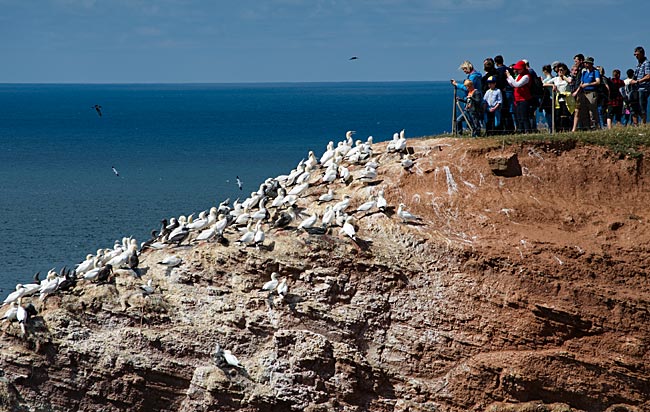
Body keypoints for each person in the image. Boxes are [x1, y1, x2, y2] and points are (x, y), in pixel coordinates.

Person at [543, 63, 575, 132]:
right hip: (558, 99)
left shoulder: (568, 77)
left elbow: (570, 81)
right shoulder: (555, 79)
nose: (560, 71)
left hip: (567, 100)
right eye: (559, 70)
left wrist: (563, 76)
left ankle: (567, 129)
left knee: (566, 115)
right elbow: (544, 84)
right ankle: (558, 129)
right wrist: (552, 85)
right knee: (558, 115)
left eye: (561, 70)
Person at [573, 56, 601, 130]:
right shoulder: (584, 72)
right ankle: (587, 127)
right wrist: (577, 91)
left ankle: (595, 126)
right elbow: (581, 82)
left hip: (592, 92)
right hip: (584, 92)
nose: (585, 64)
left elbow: (598, 82)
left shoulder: (595, 72)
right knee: (584, 110)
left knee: (592, 110)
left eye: (587, 63)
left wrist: (588, 84)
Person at [506, 60, 533, 133]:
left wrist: (509, 76)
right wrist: (508, 78)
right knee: (519, 117)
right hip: (517, 99)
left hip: (524, 99)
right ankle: (521, 130)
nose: (516, 70)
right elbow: (513, 84)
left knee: (524, 117)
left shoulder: (526, 76)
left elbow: (517, 84)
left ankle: (527, 131)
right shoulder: (519, 76)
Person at [495, 55, 515, 133]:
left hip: (503, 92)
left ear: (496, 63)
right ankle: (512, 128)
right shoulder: (509, 69)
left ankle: (506, 128)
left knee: (504, 111)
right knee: (510, 110)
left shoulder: (497, 71)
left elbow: (499, 82)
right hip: (511, 91)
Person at [631, 46, 650, 124]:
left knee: (642, 107)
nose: (636, 56)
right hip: (637, 88)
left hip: (643, 88)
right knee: (634, 107)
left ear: (642, 54)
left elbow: (648, 75)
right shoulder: (639, 64)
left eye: (637, 54)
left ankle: (643, 123)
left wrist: (638, 81)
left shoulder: (646, 63)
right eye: (635, 54)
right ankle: (636, 124)